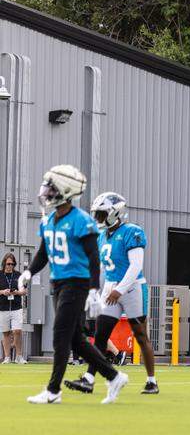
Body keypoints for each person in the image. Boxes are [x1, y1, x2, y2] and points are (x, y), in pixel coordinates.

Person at [23, 165, 128, 404]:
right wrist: (28, 272)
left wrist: (93, 289)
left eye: (52, 188)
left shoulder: (81, 220)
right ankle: (114, 376)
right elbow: (43, 254)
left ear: (65, 191)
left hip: (77, 283)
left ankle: (53, 390)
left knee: (60, 334)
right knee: (75, 340)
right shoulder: (49, 220)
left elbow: (93, 257)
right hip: (58, 283)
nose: (47, 192)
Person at [66, 191, 159, 395]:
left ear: (114, 213)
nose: (98, 218)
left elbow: (136, 266)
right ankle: (89, 379)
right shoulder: (102, 236)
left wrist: (119, 289)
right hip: (111, 287)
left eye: (101, 214)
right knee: (100, 335)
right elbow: (101, 267)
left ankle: (152, 381)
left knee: (141, 336)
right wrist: (92, 290)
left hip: (133, 288)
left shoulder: (132, 231)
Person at [0, 253, 27, 363]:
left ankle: (19, 356)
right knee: (6, 332)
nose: (10, 266)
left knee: (17, 331)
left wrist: (17, 292)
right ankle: (7, 357)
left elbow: (24, 291)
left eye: (12, 264)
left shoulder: (18, 275)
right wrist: (3, 292)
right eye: (8, 264)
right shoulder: (0, 275)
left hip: (16, 307)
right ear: (4, 263)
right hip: (3, 307)